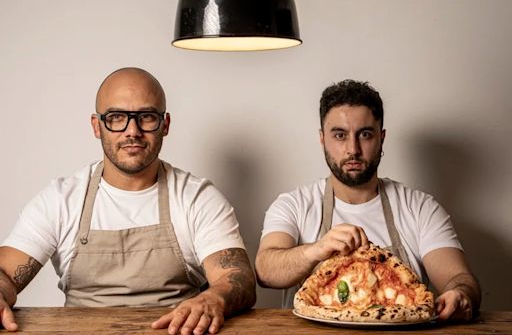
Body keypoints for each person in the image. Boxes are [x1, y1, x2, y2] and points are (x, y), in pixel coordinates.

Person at [0, 67, 256, 335]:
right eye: (116, 117)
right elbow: (5, 273)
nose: (132, 131)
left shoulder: (196, 198)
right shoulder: (60, 201)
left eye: (146, 117)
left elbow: (237, 278)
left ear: (165, 125)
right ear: (97, 126)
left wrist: (213, 299)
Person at [255, 80, 481, 321]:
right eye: (340, 135)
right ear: (322, 139)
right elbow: (265, 271)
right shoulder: (294, 204)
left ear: (381, 138)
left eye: (364, 134)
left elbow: (460, 279)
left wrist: (460, 294)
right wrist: (316, 250)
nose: (353, 149)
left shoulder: (419, 207)